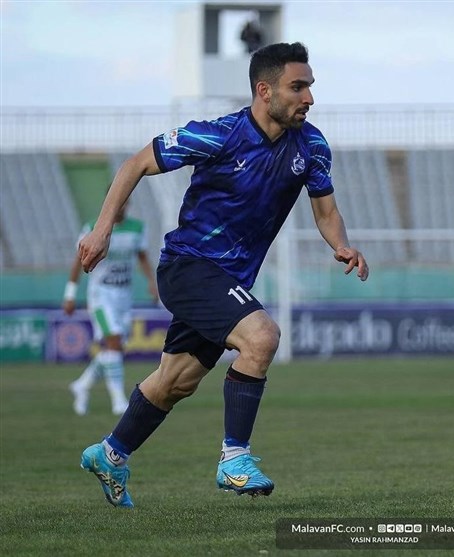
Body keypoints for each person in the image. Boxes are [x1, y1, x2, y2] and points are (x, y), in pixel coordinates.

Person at [77, 42, 369, 508]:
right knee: (262, 337)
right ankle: (234, 458)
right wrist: (102, 229)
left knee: (175, 382)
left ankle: (110, 453)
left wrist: (342, 245)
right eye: (298, 87)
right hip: (189, 266)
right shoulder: (220, 135)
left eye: (310, 87)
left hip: (229, 280)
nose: (309, 98)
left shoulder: (311, 145)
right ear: (264, 89)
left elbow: (326, 208)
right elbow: (136, 164)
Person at [64, 200, 158, 416]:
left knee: (115, 349)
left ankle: (83, 384)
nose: (120, 207)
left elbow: (142, 257)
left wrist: (152, 282)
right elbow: (78, 261)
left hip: (124, 297)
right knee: (114, 341)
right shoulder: (93, 228)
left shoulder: (137, 228)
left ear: (128, 205)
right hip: (100, 296)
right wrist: (69, 294)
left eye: (124, 203)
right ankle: (119, 401)